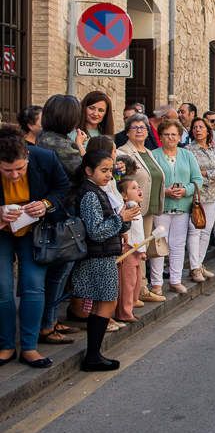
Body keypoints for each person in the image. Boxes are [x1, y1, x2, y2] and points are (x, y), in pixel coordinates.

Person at [0, 124, 70, 369]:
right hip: (2, 233)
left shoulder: (45, 157)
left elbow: (63, 188)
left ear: (27, 156)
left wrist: (45, 204)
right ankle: (6, 345)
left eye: (19, 168)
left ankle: (29, 347)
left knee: (33, 286)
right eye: (7, 170)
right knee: (2, 287)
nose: (15, 175)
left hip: (35, 232)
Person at [72, 150, 141, 371]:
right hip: (98, 255)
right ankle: (93, 355)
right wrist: (120, 218)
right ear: (88, 171)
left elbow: (112, 225)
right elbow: (96, 231)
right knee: (107, 301)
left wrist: (125, 219)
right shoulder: (90, 194)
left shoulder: (98, 191)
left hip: (104, 253)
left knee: (106, 301)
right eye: (103, 170)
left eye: (110, 170)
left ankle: (95, 353)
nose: (108, 175)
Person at [36, 95, 86, 343]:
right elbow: (84, 171)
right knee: (59, 270)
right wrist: (81, 147)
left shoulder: (47, 138)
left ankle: (52, 320)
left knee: (58, 271)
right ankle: (47, 324)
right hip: (61, 214)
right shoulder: (58, 144)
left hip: (56, 212)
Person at [116, 113, 166, 304]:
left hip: (150, 207)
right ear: (127, 132)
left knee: (143, 249)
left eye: (143, 127)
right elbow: (122, 181)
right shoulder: (123, 152)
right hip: (134, 209)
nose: (139, 130)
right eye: (135, 127)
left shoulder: (149, 152)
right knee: (135, 250)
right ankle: (137, 291)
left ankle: (140, 288)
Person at [151, 120, 203, 293]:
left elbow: (197, 180)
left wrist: (185, 190)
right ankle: (156, 283)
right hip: (162, 207)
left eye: (174, 134)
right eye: (166, 134)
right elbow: (150, 181)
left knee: (178, 244)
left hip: (182, 207)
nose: (170, 138)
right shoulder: (154, 155)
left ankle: (175, 280)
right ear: (160, 136)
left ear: (180, 136)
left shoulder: (187, 155)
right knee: (159, 244)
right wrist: (164, 191)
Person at [185, 117, 215, 282]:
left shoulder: (214, 148)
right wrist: (207, 174)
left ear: (207, 130)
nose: (198, 130)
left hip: (213, 195)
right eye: (195, 127)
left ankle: (199, 264)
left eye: (201, 127)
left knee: (206, 231)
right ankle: (194, 267)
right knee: (195, 230)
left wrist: (205, 173)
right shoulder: (188, 150)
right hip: (197, 195)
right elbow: (191, 173)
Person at [114, 176, 145, 323]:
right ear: (124, 196)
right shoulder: (130, 206)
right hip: (129, 249)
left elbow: (139, 232)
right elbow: (130, 232)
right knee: (127, 283)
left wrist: (142, 250)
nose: (139, 189)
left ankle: (130, 307)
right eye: (134, 188)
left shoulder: (135, 207)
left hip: (137, 250)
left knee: (135, 281)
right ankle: (124, 312)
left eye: (139, 187)